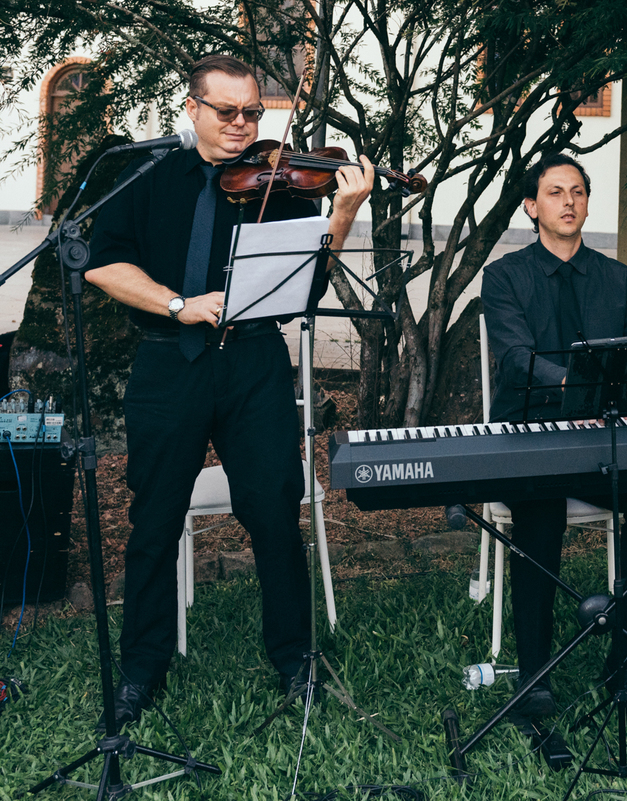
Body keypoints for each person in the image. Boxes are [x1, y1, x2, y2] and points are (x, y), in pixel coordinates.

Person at [84, 54, 373, 729]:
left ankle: (295, 657)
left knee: (274, 510)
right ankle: (140, 669)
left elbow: (306, 287)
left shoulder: (283, 184)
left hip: (252, 364)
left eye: (253, 112)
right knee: (153, 521)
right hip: (167, 362)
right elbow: (104, 263)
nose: (244, 125)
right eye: (228, 112)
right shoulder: (147, 175)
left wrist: (344, 212)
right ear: (193, 108)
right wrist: (177, 301)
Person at [481, 154, 627, 733]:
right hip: (533, 434)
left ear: (588, 203)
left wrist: (622, 394)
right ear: (531, 205)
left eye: (578, 192)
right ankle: (535, 674)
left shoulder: (616, 277)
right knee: (538, 511)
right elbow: (517, 358)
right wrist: (580, 382)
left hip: (606, 432)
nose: (568, 201)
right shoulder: (505, 276)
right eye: (555, 192)